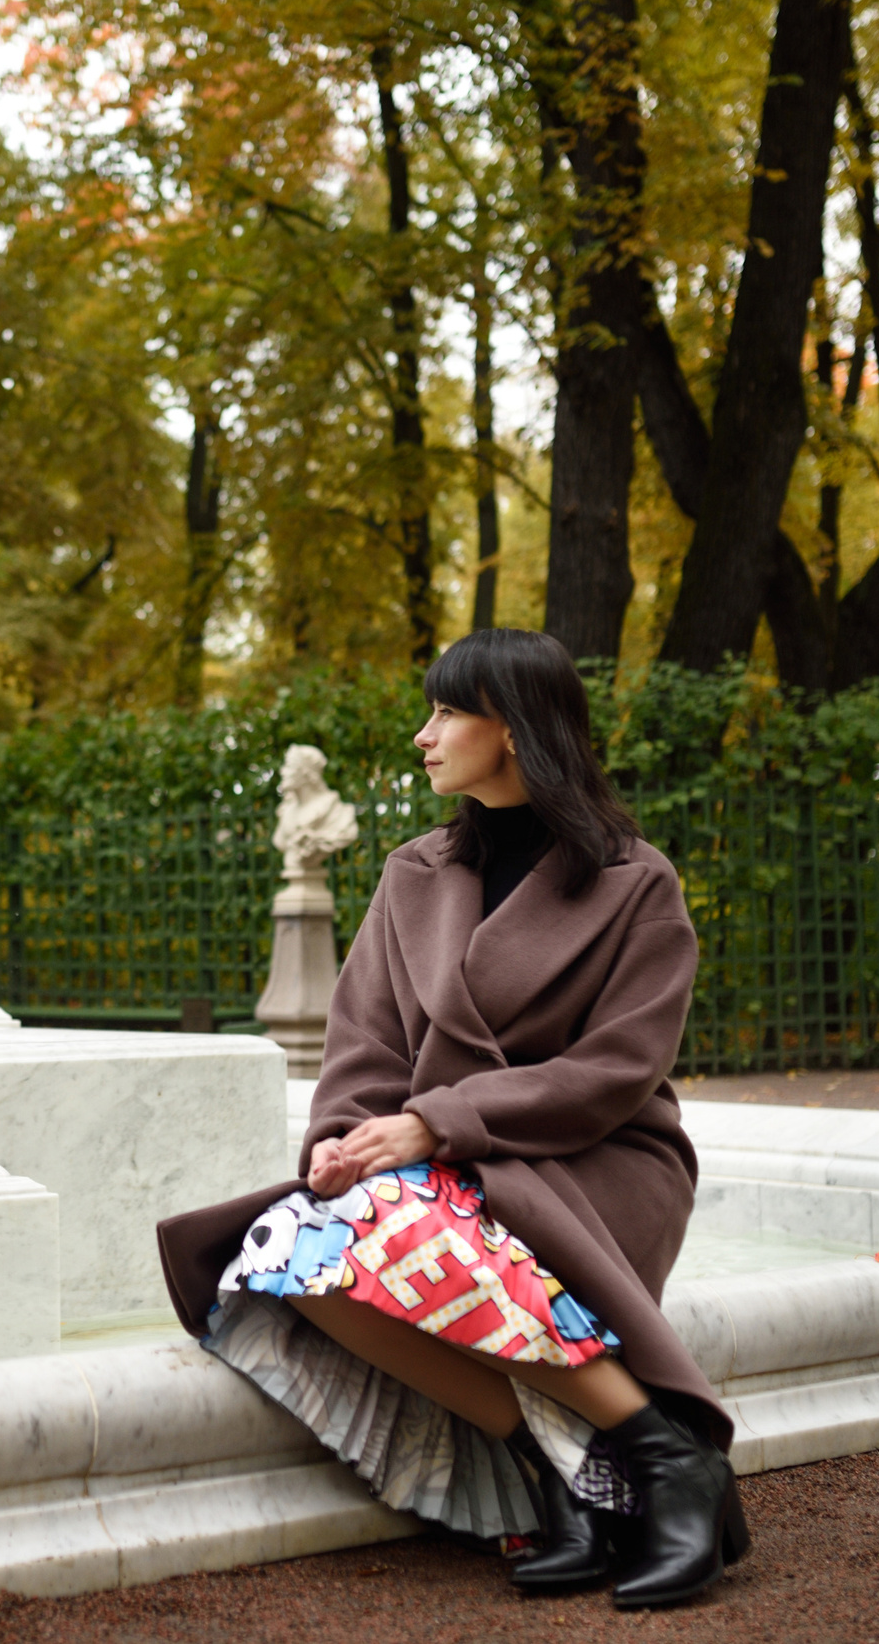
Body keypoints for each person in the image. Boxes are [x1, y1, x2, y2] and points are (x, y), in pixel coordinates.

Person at [156, 628, 745, 1609]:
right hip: (438, 1165)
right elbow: (365, 1045)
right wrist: (343, 1141)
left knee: (402, 1213)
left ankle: (671, 1456)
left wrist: (436, 1123)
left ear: (510, 729)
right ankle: (573, 1470)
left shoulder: (634, 882)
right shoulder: (413, 872)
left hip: (591, 1158)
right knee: (285, 1246)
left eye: (444, 712)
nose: (421, 735)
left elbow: (613, 1069)